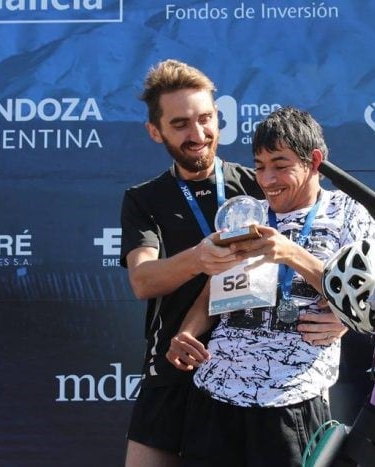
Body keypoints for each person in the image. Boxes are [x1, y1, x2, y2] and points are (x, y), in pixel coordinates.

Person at [166, 106, 375, 467]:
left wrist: (292, 254)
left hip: (291, 399)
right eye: (260, 165)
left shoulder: (349, 213)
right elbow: (212, 290)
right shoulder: (245, 213)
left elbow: (366, 302)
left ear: (313, 161)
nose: (267, 178)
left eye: (280, 165)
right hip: (215, 393)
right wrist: (186, 333)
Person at [119, 59, 265, 467]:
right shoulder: (144, 199)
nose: (197, 134)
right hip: (175, 364)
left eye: (205, 119)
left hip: (256, 365)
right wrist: (200, 258)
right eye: (180, 124)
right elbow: (143, 280)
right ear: (156, 131)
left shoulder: (259, 185)